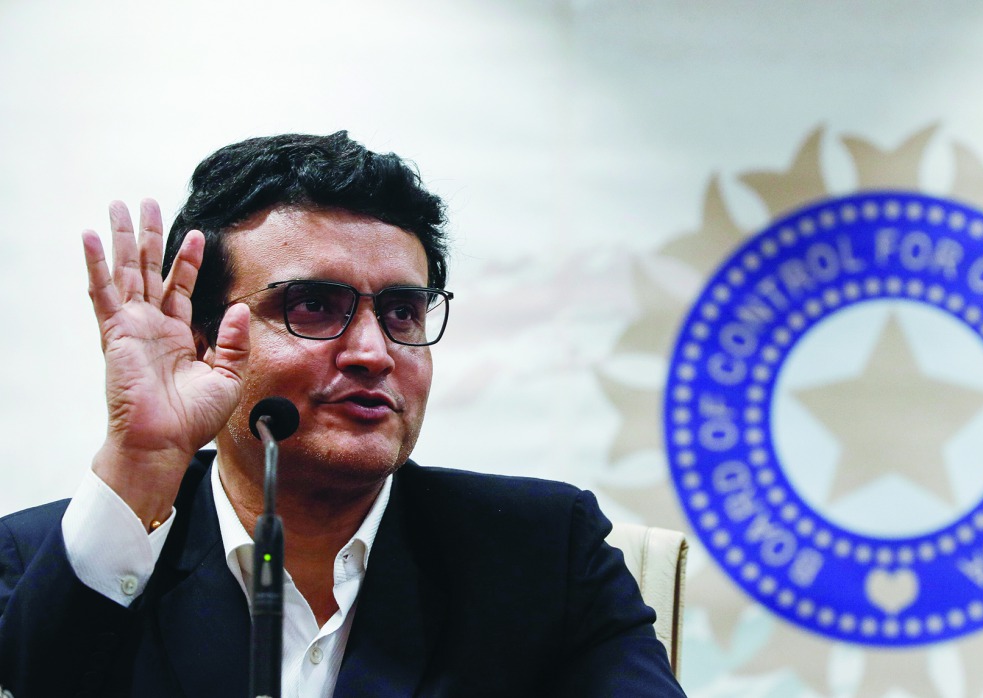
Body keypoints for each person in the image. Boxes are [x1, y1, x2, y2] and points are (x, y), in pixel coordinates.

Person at [0, 132, 685, 697]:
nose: (372, 352)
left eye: (401, 313)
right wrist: (141, 463)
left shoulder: (542, 554)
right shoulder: (47, 559)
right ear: (203, 341)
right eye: (313, 307)